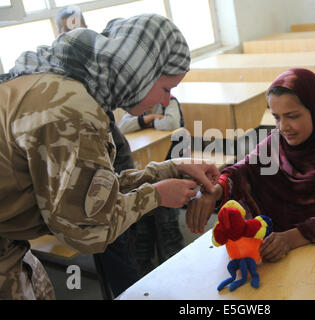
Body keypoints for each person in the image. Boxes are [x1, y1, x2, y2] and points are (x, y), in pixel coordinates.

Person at [0, 14, 219, 300]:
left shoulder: (63, 82)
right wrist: (155, 196)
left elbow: (89, 195)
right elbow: (86, 229)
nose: (166, 102)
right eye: (166, 89)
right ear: (141, 72)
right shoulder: (72, 109)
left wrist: (170, 169)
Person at [186, 68, 315, 262]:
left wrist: (291, 238)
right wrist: (216, 190)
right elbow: (244, 169)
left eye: (292, 116)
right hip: (280, 252)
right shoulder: (278, 143)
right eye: (276, 117)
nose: (283, 126)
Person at [54, 7, 140, 298]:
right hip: (88, 194)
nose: (70, 36)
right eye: (65, 30)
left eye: (75, 29)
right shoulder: (65, 92)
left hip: (109, 182)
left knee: (117, 254)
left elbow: (115, 147)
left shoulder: (96, 92)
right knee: (103, 253)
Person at [118, 96, 187, 276]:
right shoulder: (135, 102)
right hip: (141, 176)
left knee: (168, 227)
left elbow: (170, 123)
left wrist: (141, 123)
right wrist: (147, 119)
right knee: (141, 232)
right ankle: (145, 275)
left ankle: (175, 270)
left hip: (169, 173)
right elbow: (122, 127)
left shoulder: (168, 100)